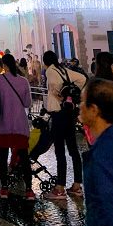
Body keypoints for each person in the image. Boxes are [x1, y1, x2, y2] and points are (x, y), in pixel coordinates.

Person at [42, 50, 87, 200]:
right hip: (69, 113)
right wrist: (73, 95)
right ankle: (77, 185)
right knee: (73, 149)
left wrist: (59, 95)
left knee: (60, 150)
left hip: (58, 114)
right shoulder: (64, 69)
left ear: (45, 62)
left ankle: (60, 187)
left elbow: (54, 85)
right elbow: (82, 78)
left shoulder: (50, 71)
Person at [80, 78, 113, 226]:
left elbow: (106, 209)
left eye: (82, 102)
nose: (79, 106)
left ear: (94, 110)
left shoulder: (101, 157)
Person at [0, 54, 35, 200]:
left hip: (3, 124)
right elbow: (27, 103)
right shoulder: (23, 81)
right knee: (24, 157)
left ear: (4, 65)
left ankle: (4, 188)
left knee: (3, 157)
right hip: (19, 124)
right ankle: (29, 190)